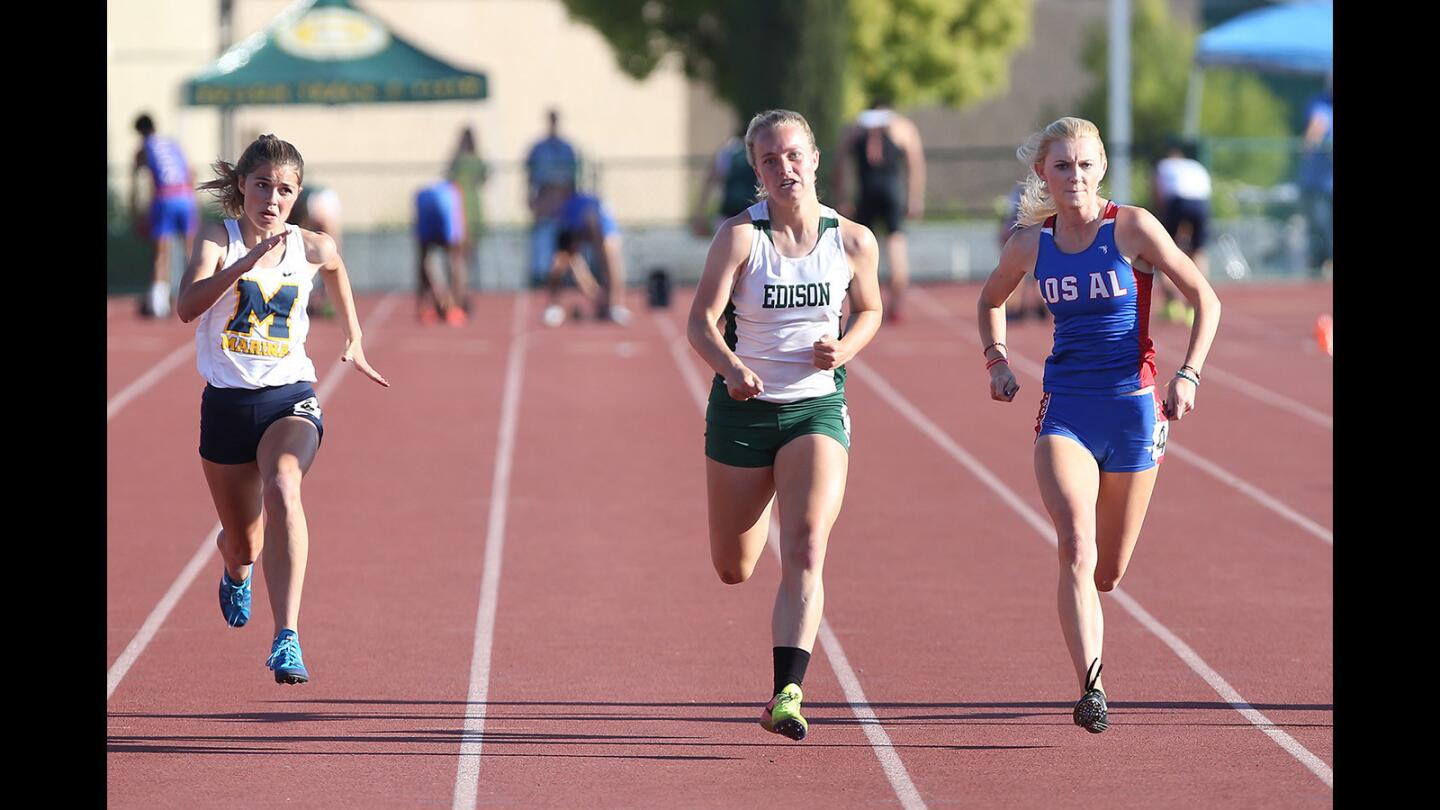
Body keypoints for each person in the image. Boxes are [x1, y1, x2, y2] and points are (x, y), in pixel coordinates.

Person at [975, 117, 1220, 733]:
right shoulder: (1032, 244)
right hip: (1067, 410)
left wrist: (1189, 373)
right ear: (1044, 174)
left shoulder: (1131, 227)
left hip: (1135, 412)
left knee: (1108, 572)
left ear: (1102, 167)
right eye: (1062, 166)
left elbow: (1204, 298)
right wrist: (998, 360)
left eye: (1085, 165)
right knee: (1076, 548)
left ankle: (1095, 628)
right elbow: (990, 301)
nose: (1074, 177)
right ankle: (1091, 687)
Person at [687, 109, 882, 741]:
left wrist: (845, 349)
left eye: (794, 155)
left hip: (816, 408)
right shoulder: (741, 238)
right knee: (733, 566)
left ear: (815, 158)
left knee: (804, 545)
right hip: (742, 412)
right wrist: (731, 367)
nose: (785, 168)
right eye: (770, 160)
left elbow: (872, 309)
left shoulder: (852, 240)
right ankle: (782, 677)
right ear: (756, 170)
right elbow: (700, 323)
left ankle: (786, 693)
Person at [178, 134, 390, 685]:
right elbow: (185, 307)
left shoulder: (308, 245)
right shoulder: (216, 239)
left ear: (297, 197)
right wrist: (243, 264)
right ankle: (234, 569)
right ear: (242, 187)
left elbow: (337, 267)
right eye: (263, 185)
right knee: (243, 542)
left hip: (287, 396)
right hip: (225, 405)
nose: (272, 199)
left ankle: (286, 637)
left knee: (283, 484)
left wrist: (354, 336)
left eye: (286, 190)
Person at [832, 97, 925, 323]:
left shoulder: (856, 127)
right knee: (896, 244)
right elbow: (915, 163)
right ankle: (895, 303)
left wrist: (842, 196)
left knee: (858, 247)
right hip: (891, 191)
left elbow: (840, 161)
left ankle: (860, 304)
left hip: (866, 191)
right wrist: (914, 198)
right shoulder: (901, 126)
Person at [132, 113, 200, 319]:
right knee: (192, 251)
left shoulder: (144, 148)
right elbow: (191, 172)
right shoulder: (172, 143)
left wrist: (136, 210)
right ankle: (199, 297)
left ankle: (159, 305)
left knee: (161, 253)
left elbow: (137, 180)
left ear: (140, 132)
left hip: (164, 198)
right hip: (186, 197)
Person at [541, 191, 631, 326]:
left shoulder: (608, 230)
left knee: (611, 261)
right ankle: (554, 306)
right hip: (574, 222)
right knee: (560, 262)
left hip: (597, 224)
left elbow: (609, 265)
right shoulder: (571, 217)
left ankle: (613, 305)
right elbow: (573, 262)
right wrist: (594, 294)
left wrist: (606, 300)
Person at [1151, 140, 1212, 325]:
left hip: (1177, 201)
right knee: (1198, 252)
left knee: (1162, 251)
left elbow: (1158, 194)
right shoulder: (1195, 165)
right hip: (1201, 203)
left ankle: (1172, 304)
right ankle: (1195, 306)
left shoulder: (1163, 166)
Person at [525, 109, 581, 287]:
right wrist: (533, 201)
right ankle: (543, 281)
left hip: (564, 205)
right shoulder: (538, 148)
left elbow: (573, 180)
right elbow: (531, 177)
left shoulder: (567, 148)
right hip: (545, 204)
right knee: (544, 246)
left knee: (567, 250)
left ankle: (568, 280)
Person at [414, 179, 469, 326]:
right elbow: (461, 226)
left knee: (424, 258)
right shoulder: (455, 194)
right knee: (455, 259)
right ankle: (454, 306)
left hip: (423, 201)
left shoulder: (428, 194)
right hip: (445, 206)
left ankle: (424, 306)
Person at [286, 183, 342, 319]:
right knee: (330, 252)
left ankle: (322, 299)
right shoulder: (322, 199)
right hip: (324, 198)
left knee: (326, 253)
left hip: (317, 200)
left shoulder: (306, 201)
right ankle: (325, 299)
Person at [691, 127, 758, 237]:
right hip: (754, 212)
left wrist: (700, 213)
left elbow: (709, 182)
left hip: (728, 213)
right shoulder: (760, 151)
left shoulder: (727, 151)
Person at [449, 126, 490, 304]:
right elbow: (485, 177)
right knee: (463, 253)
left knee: (460, 254)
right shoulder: (472, 160)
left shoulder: (459, 161)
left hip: (463, 208)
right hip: (466, 207)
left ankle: (462, 289)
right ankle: (462, 289)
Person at [998, 181, 1047, 322]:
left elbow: (1010, 218)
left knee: (1028, 276)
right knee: (1029, 276)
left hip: (1029, 237)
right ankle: (1031, 306)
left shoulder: (1021, 192)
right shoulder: (1032, 191)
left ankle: (1029, 306)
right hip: (1028, 236)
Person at [1298, 81, 1332, 277]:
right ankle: (1322, 264)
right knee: (1320, 226)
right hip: (1318, 185)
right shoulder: (1320, 103)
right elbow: (1315, 129)